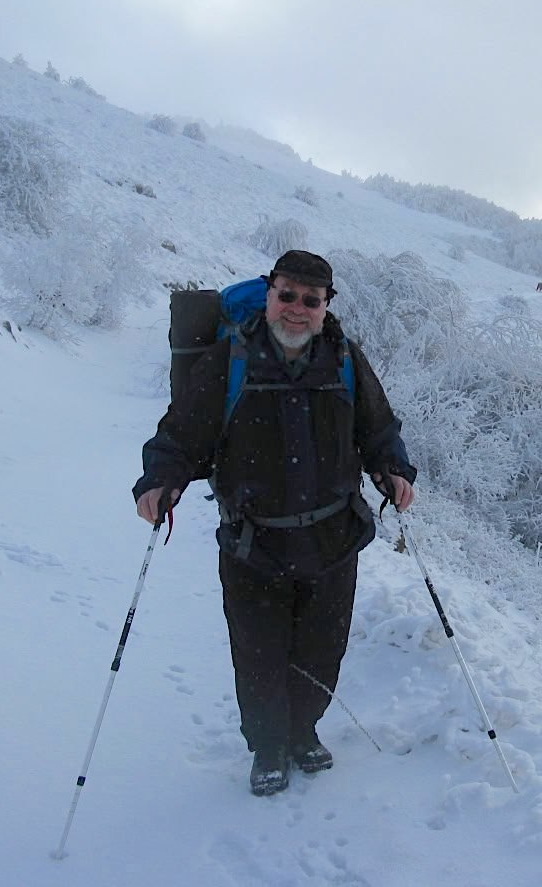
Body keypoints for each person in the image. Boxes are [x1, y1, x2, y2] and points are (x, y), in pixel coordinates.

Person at [134, 250, 417, 796]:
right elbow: (180, 436)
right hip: (252, 543)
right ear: (269, 295)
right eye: (287, 295)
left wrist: (394, 471)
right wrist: (159, 480)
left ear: (325, 306)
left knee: (321, 649)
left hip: (333, 541)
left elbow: (379, 431)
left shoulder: (345, 361)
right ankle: (267, 745)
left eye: (311, 300)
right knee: (258, 651)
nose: (297, 309)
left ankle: (303, 730)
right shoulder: (229, 361)